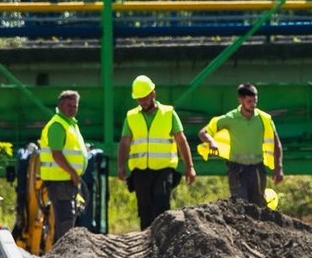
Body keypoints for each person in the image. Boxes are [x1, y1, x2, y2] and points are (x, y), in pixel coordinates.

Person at [117, 74, 195, 230]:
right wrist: (121, 166)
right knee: (144, 211)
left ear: (153, 94)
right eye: (139, 99)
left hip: (164, 170)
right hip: (140, 172)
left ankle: (162, 243)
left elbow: (181, 140)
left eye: (145, 97)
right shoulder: (131, 116)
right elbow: (125, 142)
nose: (143, 102)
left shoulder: (168, 113)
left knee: (161, 205)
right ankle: (146, 246)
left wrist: (190, 167)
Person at [198, 83, 283, 207]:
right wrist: (211, 142)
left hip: (257, 170)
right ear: (240, 100)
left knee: (258, 205)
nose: (253, 105)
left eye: (255, 101)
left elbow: (277, 144)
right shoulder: (231, 118)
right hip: (237, 170)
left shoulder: (264, 119)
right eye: (249, 101)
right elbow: (203, 133)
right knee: (240, 204)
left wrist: (278, 168)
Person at [39, 89, 86, 246]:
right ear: (60, 105)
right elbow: (57, 155)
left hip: (66, 179)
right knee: (66, 218)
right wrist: (73, 173)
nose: (72, 108)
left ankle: (64, 251)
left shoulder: (70, 124)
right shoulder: (58, 126)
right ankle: (64, 252)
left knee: (68, 217)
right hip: (60, 179)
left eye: (75, 105)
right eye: (68, 105)